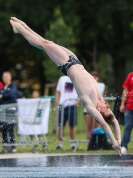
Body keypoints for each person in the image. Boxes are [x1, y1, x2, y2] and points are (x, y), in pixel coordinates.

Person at [10, 17, 121, 155]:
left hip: (66, 65)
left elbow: (105, 124)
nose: (108, 105)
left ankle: (20, 29)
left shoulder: (90, 105)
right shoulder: (99, 98)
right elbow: (114, 121)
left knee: (44, 44)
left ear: (100, 112)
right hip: (76, 61)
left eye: (106, 109)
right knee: (47, 42)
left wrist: (114, 142)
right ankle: (22, 26)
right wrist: (119, 139)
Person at [55, 75, 78, 150]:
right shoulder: (62, 79)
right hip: (62, 105)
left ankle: (72, 144)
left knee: (72, 125)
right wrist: (57, 103)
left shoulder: (76, 78)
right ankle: (60, 144)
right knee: (61, 125)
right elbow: (58, 91)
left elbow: (80, 91)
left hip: (72, 105)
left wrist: (77, 102)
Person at [83, 71, 105, 150]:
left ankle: (96, 144)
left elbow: (97, 93)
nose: (94, 78)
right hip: (87, 109)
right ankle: (89, 145)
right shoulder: (86, 86)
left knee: (96, 127)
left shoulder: (101, 85)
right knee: (89, 127)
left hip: (96, 109)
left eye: (95, 77)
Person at [0, 71, 17, 153]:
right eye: (4, 77)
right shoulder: (3, 88)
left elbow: (11, 95)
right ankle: (5, 145)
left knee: (9, 126)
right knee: (3, 127)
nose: (5, 78)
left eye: (6, 77)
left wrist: (3, 96)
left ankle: (13, 146)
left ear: (10, 77)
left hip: (11, 110)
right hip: (3, 111)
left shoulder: (13, 86)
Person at [120, 72, 133, 154]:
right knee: (128, 126)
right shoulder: (130, 75)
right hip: (129, 106)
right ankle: (124, 146)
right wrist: (122, 104)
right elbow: (125, 89)